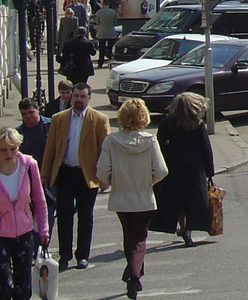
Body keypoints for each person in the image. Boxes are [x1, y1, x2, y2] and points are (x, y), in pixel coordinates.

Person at [97, 99, 167, 299]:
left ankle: (136, 273)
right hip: (144, 196)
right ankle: (134, 275)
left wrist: (113, 181)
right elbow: (161, 170)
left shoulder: (111, 141)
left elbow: (102, 170)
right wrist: (148, 181)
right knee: (139, 238)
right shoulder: (150, 140)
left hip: (121, 197)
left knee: (129, 235)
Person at [42, 83, 109, 270]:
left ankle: (82, 255)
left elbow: (105, 150)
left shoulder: (99, 119)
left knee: (86, 216)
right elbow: (50, 149)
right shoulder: (59, 119)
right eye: (76, 96)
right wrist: (45, 174)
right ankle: (64, 254)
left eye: (82, 97)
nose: (78, 100)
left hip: (87, 174)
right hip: (65, 172)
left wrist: (104, 176)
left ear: (89, 98)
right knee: (64, 214)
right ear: (71, 97)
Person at [150, 93, 214, 247]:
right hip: (194, 169)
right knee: (192, 201)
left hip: (172, 169)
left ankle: (182, 226)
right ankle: (189, 230)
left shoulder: (166, 124)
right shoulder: (197, 125)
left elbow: (159, 148)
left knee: (176, 201)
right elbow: (206, 149)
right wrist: (210, 172)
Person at [0, 126, 50, 300]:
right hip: (0, 234)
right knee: (4, 287)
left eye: (13, 149)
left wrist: (43, 230)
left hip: (24, 231)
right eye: (4, 150)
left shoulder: (29, 165)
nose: (9, 154)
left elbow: (39, 200)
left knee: (24, 288)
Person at [16, 100, 54, 242]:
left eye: (31, 112)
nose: (28, 116)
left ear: (38, 109)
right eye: (24, 114)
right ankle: (34, 247)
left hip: (49, 178)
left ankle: (43, 244)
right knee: (29, 215)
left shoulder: (51, 125)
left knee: (47, 213)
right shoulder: (18, 133)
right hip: (28, 180)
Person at [93, 0, 120, 67]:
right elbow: (115, 22)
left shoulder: (99, 12)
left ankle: (100, 62)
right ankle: (110, 62)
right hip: (111, 32)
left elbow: (97, 22)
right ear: (109, 4)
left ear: (103, 4)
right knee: (110, 48)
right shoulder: (113, 12)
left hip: (102, 32)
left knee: (102, 49)